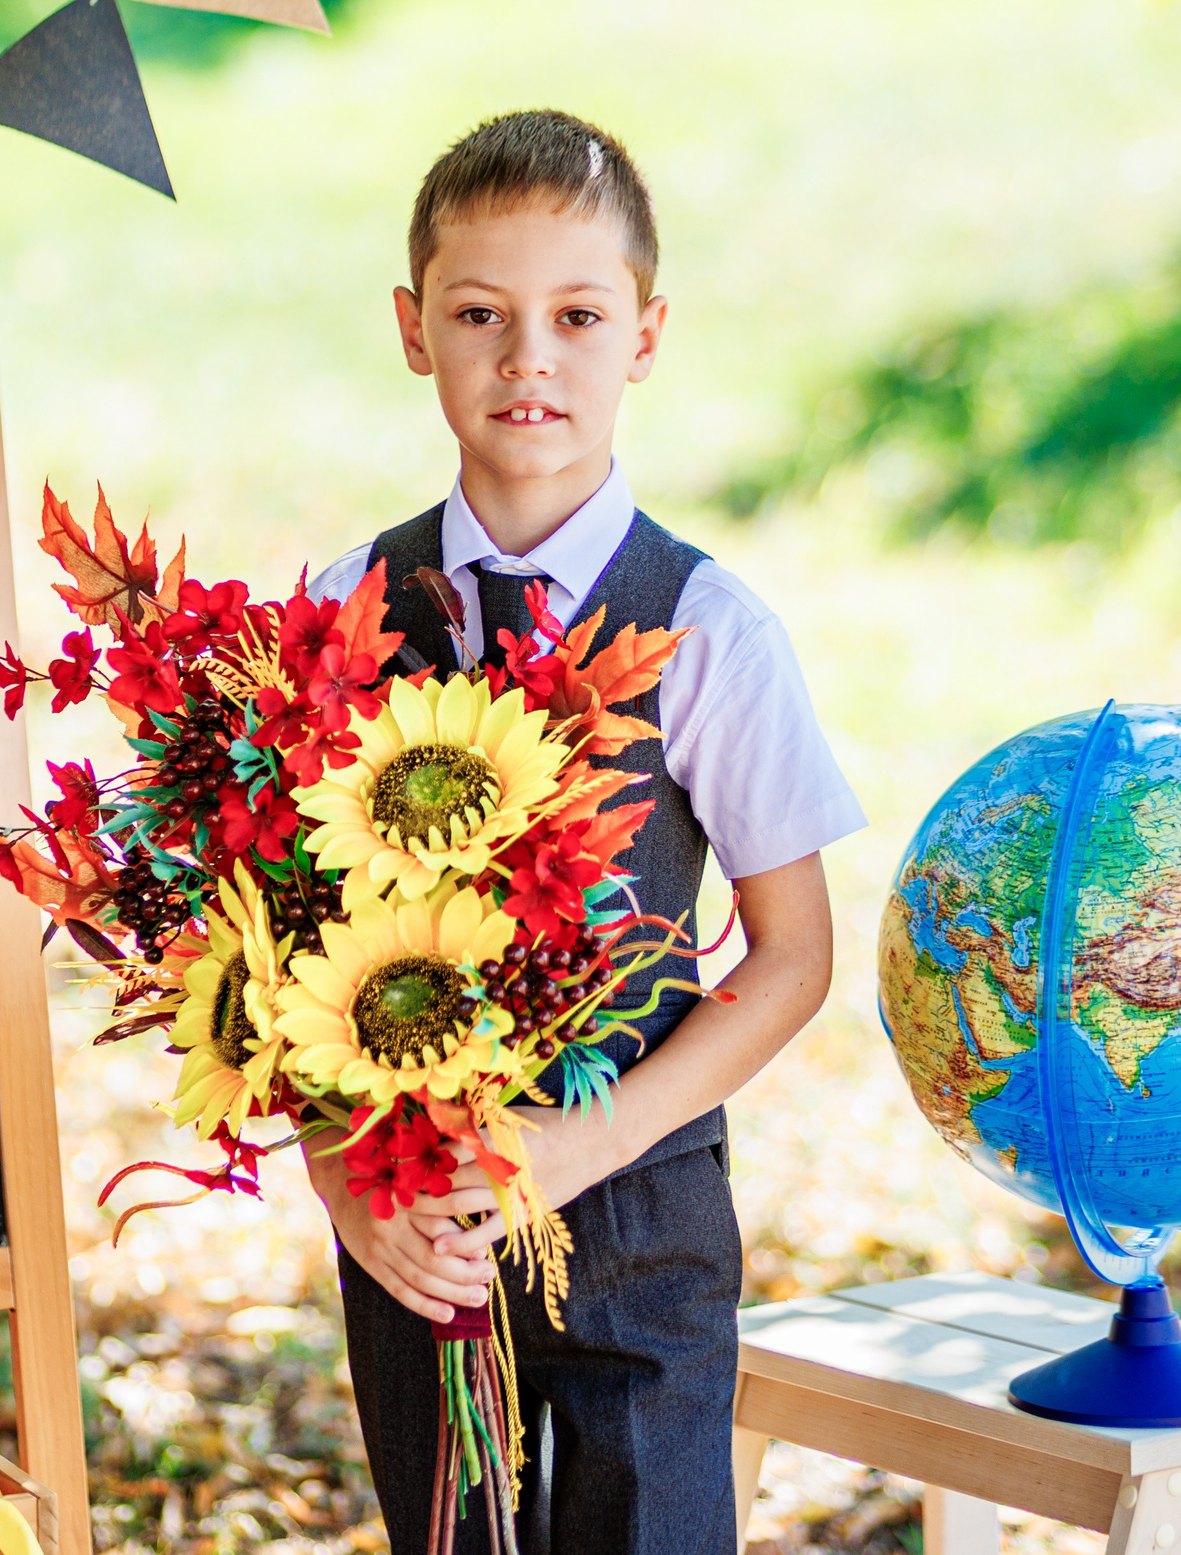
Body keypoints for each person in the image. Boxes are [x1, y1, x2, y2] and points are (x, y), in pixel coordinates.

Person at [302, 109, 867, 1555]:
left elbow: (794, 955)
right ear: (412, 329)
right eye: (479, 313)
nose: (527, 357)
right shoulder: (344, 605)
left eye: (576, 314)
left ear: (648, 331)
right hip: (420, 1230)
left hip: (640, 1229)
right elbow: (281, 955)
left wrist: (580, 1145)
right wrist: (345, 1185)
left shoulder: (709, 630)